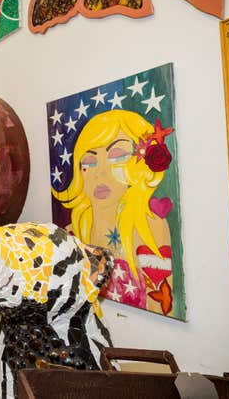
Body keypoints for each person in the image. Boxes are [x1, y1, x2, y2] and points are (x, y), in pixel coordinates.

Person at [52, 109, 173, 314]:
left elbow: (162, 305)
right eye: (89, 162)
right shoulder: (71, 233)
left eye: (117, 156)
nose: (101, 172)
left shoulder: (151, 227)